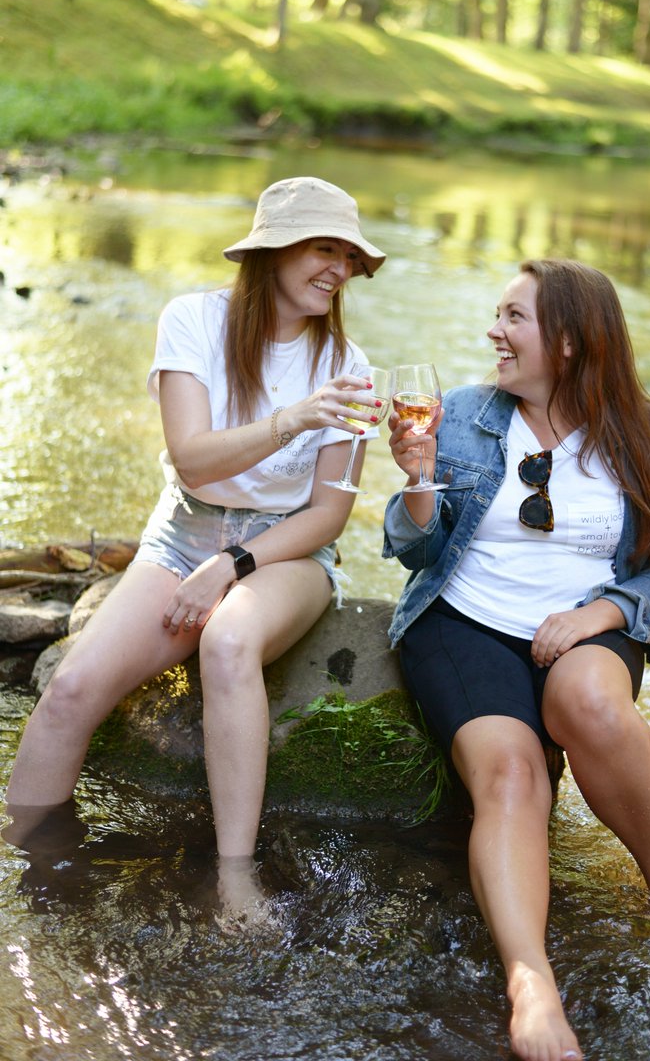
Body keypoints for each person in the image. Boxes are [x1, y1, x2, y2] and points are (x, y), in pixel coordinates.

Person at [5, 175, 386, 922]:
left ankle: (234, 879)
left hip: (286, 554)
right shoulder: (193, 321)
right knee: (71, 693)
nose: (338, 269)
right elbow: (193, 460)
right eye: (323, 248)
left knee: (229, 638)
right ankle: (23, 858)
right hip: (182, 535)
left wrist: (234, 566)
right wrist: (292, 419)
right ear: (271, 252)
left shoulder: (353, 368)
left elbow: (329, 516)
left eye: (348, 255)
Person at [383, 257, 650, 1061]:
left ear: (568, 340)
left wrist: (599, 613)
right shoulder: (459, 414)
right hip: (466, 621)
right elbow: (411, 549)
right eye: (497, 315)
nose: (494, 331)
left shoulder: (645, 434)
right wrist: (418, 481)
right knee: (514, 774)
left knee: (591, 706)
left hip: (587, 625)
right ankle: (532, 985)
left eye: (513, 318)